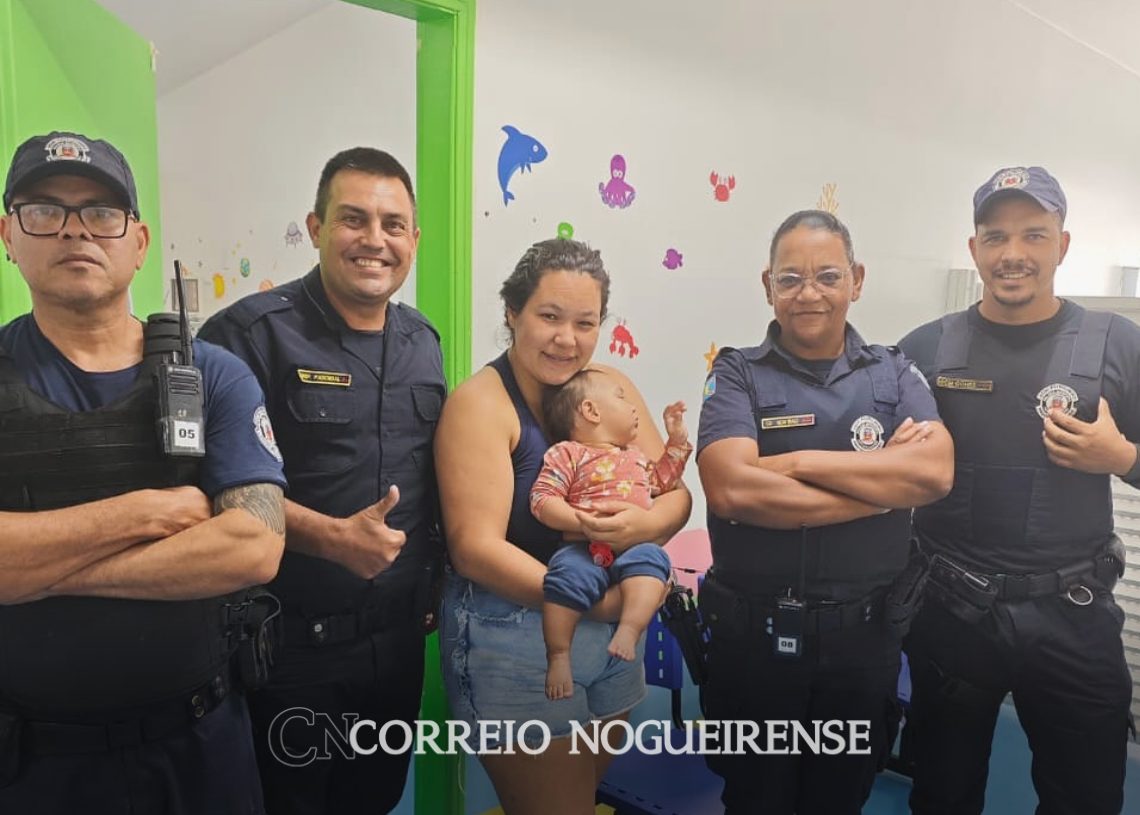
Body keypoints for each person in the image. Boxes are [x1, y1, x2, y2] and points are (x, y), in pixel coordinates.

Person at [0, 131, 286, 813]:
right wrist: (143, 514)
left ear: (139, 242)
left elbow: (253, 546)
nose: (75, 231)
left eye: (101, 212)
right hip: (35, 766)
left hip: (200, 750)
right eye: (44, 210)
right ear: (8, 235)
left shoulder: (214, 373)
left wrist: (35, 575)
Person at [197, 147, 446, 815]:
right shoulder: (248, 335)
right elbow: (205, 489)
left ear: (414, 239)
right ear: (316, 227)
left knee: (375, 801)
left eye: (394, 225)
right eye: (353, 219)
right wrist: (332, 538)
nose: (375, 240)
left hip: (396, 649)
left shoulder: (424, 342)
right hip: (287, 651)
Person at [898, 166, 1140, 815]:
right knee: (941, 795)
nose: (1013, 253)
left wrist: (1122, 457)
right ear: (974, 248)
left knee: (1086, 799)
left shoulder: (1119, 344)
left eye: (1034, 234)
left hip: (1073, 617)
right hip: (950, 616)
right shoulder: (924, 348)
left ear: (1063, 244)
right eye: (995, 236)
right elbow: (876, 469)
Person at [697, 209, 954, 814]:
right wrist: (881, 487)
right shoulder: (736, 373)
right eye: (790, 278)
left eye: (827, 276)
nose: (808, 293)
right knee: (755, 803)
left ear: (856, 281)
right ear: (768, 286)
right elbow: (733, 491)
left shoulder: (895, 372)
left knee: (840, 800)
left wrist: (794, 463)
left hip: (862, 647)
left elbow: (934, 474)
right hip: (755, 648)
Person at [435, 238, 690, 815]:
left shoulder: (610, 388)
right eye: (549, 317)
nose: (566, 339)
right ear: (512, 312)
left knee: (577, 800)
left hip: (612, 644)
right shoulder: (482, 405)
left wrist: (642, 524)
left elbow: (676, 496)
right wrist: (599, 604)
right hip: (516, 637)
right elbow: (474, 549)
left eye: (585, 322)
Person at [530, 368, 691, 698]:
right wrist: (581, 522)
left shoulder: (635, 457)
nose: (632, 407)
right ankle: (558, 655)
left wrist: (676, 441)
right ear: (591, 411)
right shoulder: (567, 453)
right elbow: (543, 499)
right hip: (582, 547)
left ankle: (629, 630)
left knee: (654, 563)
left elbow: (664, 482)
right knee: (563, 579)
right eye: (621, 398)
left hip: (633, 546)